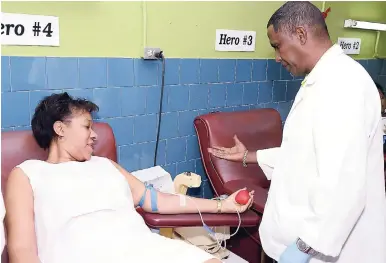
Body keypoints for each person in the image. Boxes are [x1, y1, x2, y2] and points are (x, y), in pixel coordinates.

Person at [208, 2, 386, 263]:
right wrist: (249, 156)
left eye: (277, 45)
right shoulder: (322, 79)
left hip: (321, 251)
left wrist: (305, 247)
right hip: (295, 244)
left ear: (301, 34)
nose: (277, 57)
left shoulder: (342, 86)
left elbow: (344, 184)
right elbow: (305, 153)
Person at [4, 92, 254, 263]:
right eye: (87, 126)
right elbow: (22, 250)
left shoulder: (105, 165)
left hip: (144, 250)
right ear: (60, 129)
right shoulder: (27, 174)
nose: (94, 135)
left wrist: (224, 205)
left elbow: (159, 201)